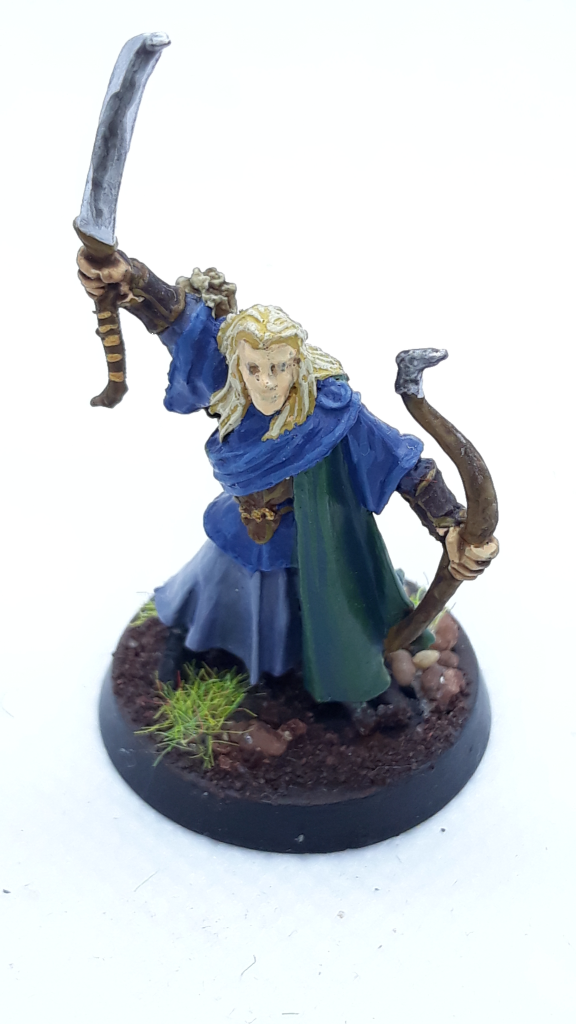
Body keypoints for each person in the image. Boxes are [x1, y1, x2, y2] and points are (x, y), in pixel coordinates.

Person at [77, 250, 497, 733]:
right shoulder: (228, 377)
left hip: (314, 536)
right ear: (238, 365)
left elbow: (404, 464)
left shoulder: (332, 411)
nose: (267, 382)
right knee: (215, 591)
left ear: (297, 363)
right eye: (255, 369)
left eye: (279, 367)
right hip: (244, 524)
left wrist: (451, 525)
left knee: (312, 609)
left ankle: (336, 681)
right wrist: (131, 279)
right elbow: (179, 321)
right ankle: (195, 644)